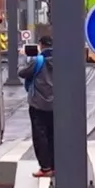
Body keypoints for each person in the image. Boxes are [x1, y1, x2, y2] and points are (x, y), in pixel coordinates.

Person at [18, 35, 55, 178]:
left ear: (41, 45)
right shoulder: (61, 59)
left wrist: (24, 59)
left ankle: (45, 168)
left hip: (38, 104)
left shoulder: (37, 61)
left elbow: (22, 73)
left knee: (40, 136)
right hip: (56, 105)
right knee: (53, 136)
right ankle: (54, 165)